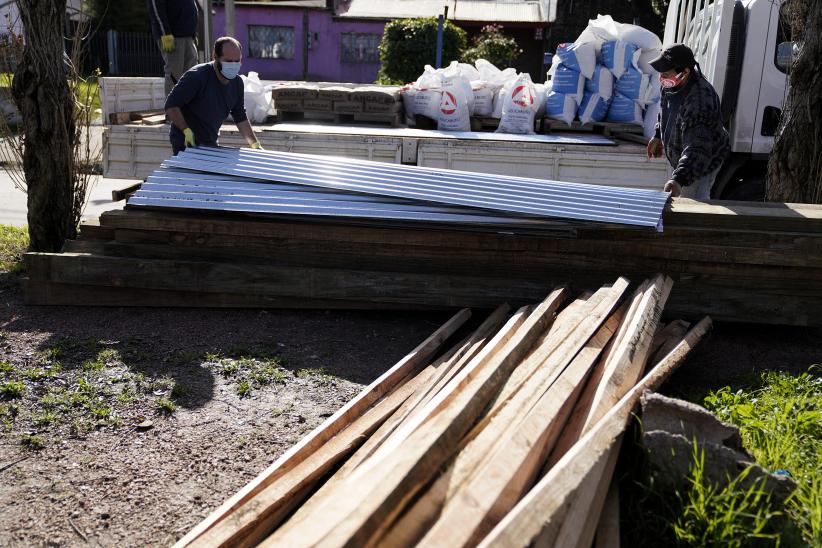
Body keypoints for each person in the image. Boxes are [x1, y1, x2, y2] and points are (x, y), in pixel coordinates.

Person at [646, 44, 730, 199]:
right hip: (686, 155)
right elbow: (666, 111)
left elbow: (697, 148)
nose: (662, 78)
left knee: (691, 205)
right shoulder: (670, 84)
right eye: (661, 74)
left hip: (702, 159)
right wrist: (658, 134)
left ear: (685, 72)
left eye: (666, 73)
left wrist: (678, 179)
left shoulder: (700, 100)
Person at [164, 36, 262, 155]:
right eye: (228, 61)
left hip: (210, 142)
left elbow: (240, 116)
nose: (233, 65)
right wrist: (186, 131)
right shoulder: (197, 77)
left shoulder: (237, 83)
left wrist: (254, 144)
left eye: (237, 61)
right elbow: (171, 105)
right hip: (186, 143)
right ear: (215, 57)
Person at [147, 0, 200, 97]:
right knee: (174, 72)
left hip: (188, 35)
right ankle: (172, 109)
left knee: (192, 73)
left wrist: (193, 33)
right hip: (173, 36)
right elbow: (156, 10)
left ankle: (190, 107)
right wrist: (165, 34)